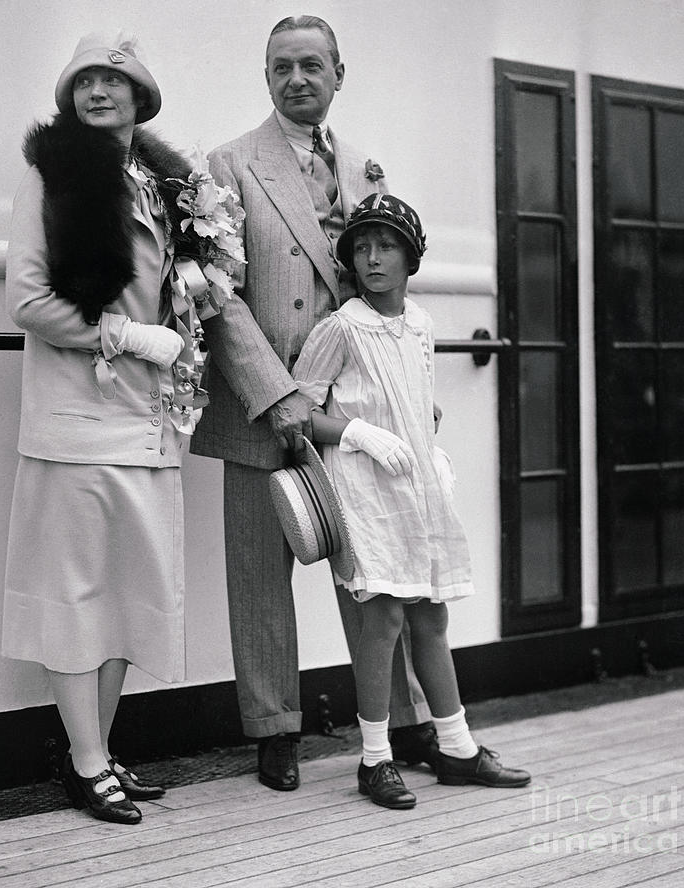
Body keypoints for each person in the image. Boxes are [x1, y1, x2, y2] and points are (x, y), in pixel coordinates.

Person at [191, 15, 438, 791]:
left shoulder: (367, 168)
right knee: (261, 581)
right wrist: (277, 396)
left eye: (311, 65)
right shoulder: (228, 164)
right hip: (262, 404)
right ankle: (275, 731)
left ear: (338, 73)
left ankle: (399, 727)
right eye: (281, 67)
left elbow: (383, 282)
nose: (297, 78)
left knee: (376, 573)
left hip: (356, 410)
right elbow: (219, 298)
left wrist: (411, 394)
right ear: (266, 78)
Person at [2, 31, 199, 824]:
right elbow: (25, 299)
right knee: (75, 597)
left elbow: (178, 294)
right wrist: (122, 334)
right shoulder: (51, 175)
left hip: (149, 422)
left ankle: (99, 751)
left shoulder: (162, 185)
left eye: (114, 80)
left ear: (140, 97)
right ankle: (85, 762)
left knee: (126, 597)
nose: (98, 91)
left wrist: (188, 303)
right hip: (77, 422)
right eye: (84, 80)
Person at [292, 193, 531, 808]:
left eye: (387, 246)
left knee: (431, 615)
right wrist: (355, 431)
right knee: (385, 616)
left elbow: (416, 400)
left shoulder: (420, 324)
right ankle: (375, 760)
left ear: (411, 257)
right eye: (362, 247)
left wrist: (432, 449)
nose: (373, 258)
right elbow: (298, 414)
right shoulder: (340, 327)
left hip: (416, 484)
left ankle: (457, 748)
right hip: (366, 488)